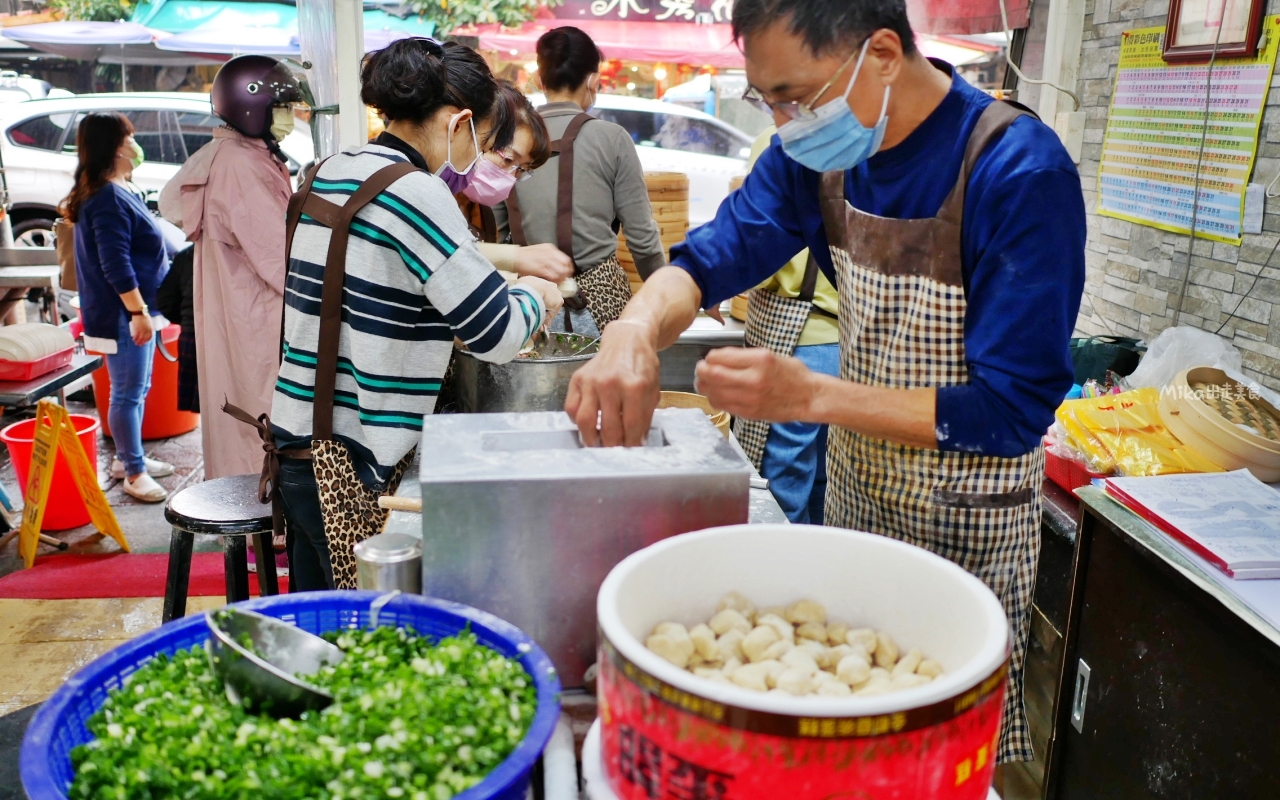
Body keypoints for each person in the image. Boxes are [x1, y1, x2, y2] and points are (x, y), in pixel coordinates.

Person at [564, 0, 1086, 774]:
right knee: (834, 740)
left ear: (880, 54)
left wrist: (811, 399)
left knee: (928, 756)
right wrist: (634, 328)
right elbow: (710, 258)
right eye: (764, 98)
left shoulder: (1019, 171)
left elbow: (1011, 410)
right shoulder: (818, 156)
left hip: (969, 521)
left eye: (792, 96)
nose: (781, 121)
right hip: (858, 495)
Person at [260, 39, 562, 592]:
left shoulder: (330, 168)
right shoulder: (416, 193)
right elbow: (495, 333)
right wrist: (536, 295)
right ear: (462, 121)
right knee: (359, 632)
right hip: (348, 459)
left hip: (295, 441)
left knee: (316, 623)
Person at [159, 55, 300, 480]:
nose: (292, 117)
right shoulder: (241, 165)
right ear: (250, 108)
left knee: (244, 427)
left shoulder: (234, 153)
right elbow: (280, 262)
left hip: (239, 316)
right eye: (284, 108)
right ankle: (265, 535)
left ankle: (259, 530)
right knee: (257, 427)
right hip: (252, 320)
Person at [494, 26, 664, 329]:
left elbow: (496, 230)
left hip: (530, 303)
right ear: (594, 82)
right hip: (603, 303)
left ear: (541, 81)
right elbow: (643, 239)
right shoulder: (611, 138)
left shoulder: (511, 138)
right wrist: (665, 295)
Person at [62, 112, 174, 503]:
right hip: (121, 316)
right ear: (115, 146)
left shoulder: (117, 187)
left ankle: (128, 459)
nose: (135, 143)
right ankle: (134, 471)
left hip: (129, 312)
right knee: (127, 393)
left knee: (136, 390)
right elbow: (115, 263)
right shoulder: (106, 198)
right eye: (130, 137)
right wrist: (138, 312)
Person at [735, 125, 839, 524]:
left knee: (783, 485)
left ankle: (786, 576)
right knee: (826, 481)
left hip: (798, 342)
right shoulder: (863, 143)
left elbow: (755, 249)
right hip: (848, 345)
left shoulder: (776, 143)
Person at [458, 80, 572, 284]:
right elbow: (438, 254)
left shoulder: (483, 213)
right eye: (508, 159)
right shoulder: (430, 193)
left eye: (520, 170)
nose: (509, 177)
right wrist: (515, 258)